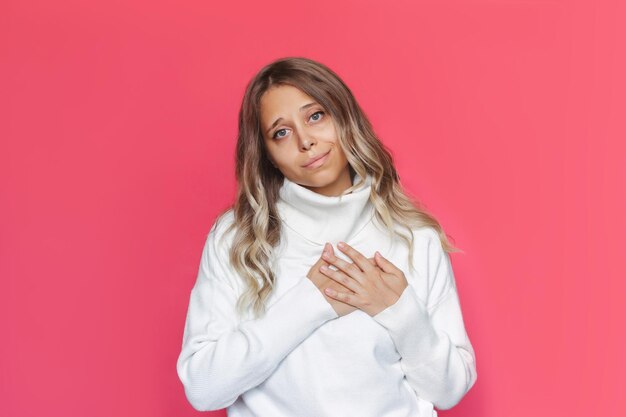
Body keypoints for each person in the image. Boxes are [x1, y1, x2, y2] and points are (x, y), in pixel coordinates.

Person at [176, 56, 477, 417]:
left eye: (316, 115)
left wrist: (400, 311)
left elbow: (449, 390)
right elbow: (203, 388)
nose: (306, 141)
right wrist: (310, 303)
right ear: (267, 154)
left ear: (343, 117)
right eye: (281, 132)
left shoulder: (413, 235)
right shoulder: (237, 239)